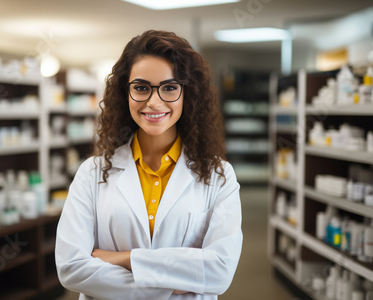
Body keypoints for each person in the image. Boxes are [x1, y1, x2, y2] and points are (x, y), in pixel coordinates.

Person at [55, 30, 242, 300]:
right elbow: (71, 268)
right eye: (141, 87)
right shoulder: (92, 173)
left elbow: (219, 272)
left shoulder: (219, 175)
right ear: (125, 92)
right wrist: (179, 279)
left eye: (169, 87)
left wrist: (125, 258)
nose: (154, 102)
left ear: (188, 94)